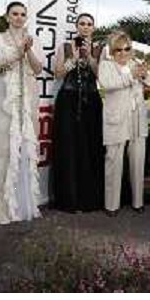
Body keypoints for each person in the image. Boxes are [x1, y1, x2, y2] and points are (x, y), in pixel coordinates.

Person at [0, 1, 43, 228]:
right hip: (4, 101)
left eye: (23, 14)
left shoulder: (30, 39)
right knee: (0, 149)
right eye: (15, 13)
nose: (19, 17)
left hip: (25, 102)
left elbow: (37, 69)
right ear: (7, 15)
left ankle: (20, 205)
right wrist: (16, 53)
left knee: (22, 149)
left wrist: (28, 49)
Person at [98, 31, 150, 216]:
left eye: (127, 49)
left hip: (137, 120)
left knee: (138, 161)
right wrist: (132, 75)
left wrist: (145, 74)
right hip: (116, 120)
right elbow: (108, 84)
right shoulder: (106, 66)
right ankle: (111, 205)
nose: (123, 53)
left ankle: (137, 202)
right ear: (112, 51)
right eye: (118, 50)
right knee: (113, 161)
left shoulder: (136, 64)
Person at [51, 13, 104, 212]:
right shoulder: (65, 47)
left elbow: (101, 75)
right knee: (69, 148)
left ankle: (90, 198)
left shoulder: (99, 48)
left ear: (93, 28)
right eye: (82, 23)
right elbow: (58, 74)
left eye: (89, 24)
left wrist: (89, 56)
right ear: (76, 26)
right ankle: (69, 199)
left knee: (91, 147)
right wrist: (72, 59)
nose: (85, 27)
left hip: (92, 101)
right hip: (68, 100)